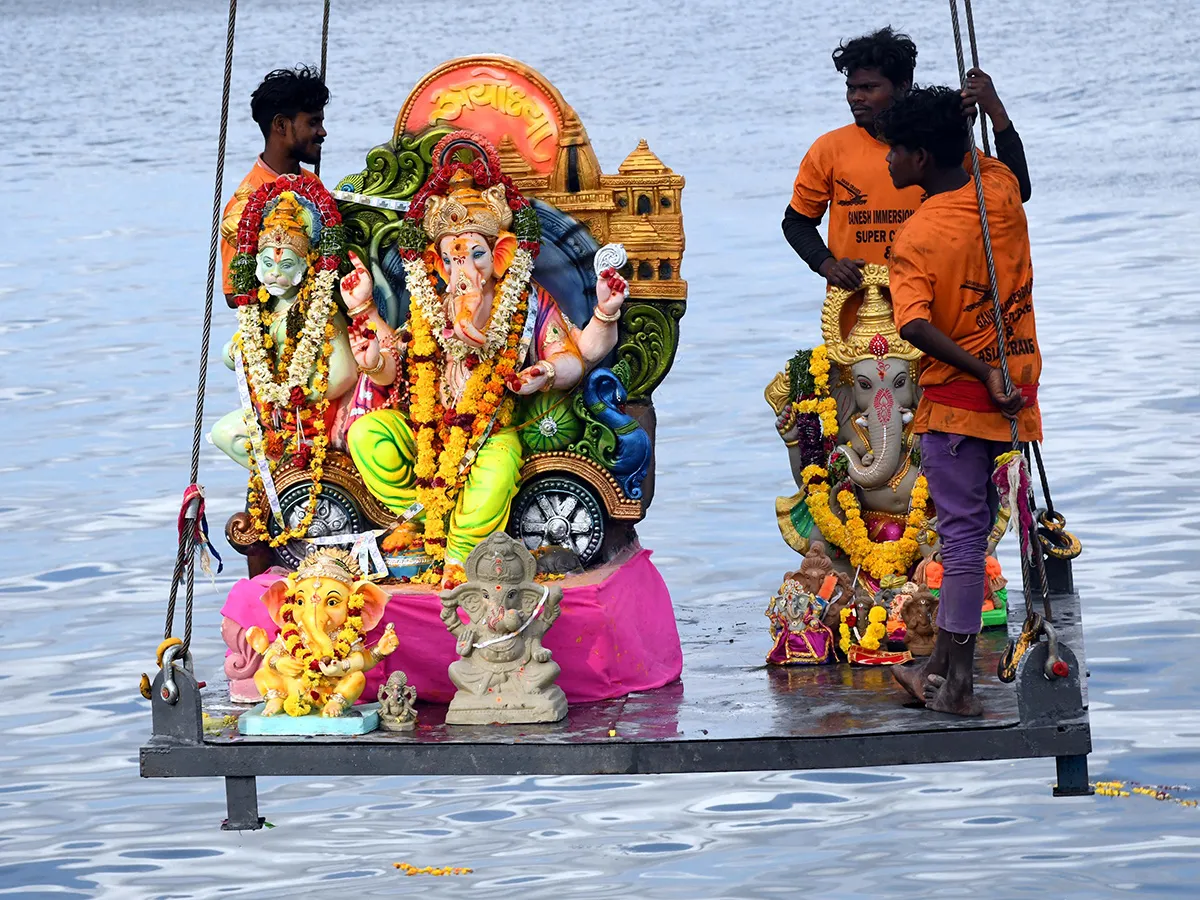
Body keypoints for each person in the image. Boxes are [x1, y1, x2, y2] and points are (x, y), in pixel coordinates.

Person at [880, 85, 1042, 716]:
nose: (888, 161)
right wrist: (995, 107)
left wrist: (977, 368)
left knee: (964, 541)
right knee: (966, 534)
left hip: (958, 400)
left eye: (895, 150)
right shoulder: (997, 190)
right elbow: (1018, 169)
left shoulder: (918, 234)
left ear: (921, 157)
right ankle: (939, 671)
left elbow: (914, 325)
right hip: (1014, 386)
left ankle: (961, 688)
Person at [782, 27, 1031, 291]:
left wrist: (996, 112)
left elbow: (1016, 191)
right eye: (851, 88)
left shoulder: (932, 143)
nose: (856, 97)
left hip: (933, 311)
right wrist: (828, 265)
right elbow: (797, 221)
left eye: (868, 87)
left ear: (903, 86)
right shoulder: (828, 149)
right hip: (858, 316)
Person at [219, 65, 329, 306]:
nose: (322, 131)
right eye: (312, 122)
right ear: (281, 125)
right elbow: (233, 294)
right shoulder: (243, 204)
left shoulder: (312, 183)